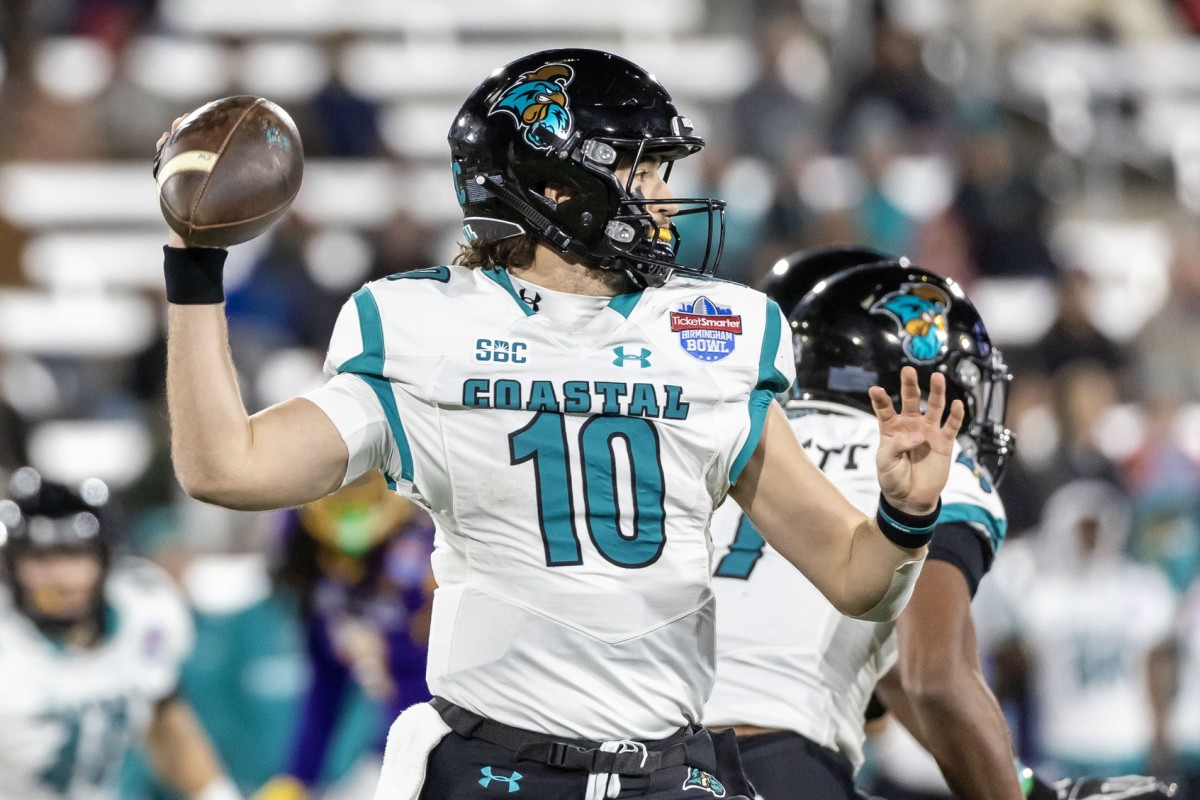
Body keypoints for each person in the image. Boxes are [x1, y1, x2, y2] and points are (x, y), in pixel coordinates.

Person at [156, 49, 964, 799]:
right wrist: (195, 271)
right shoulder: (426, 325)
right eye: (637, 171)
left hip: (667, 770)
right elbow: (226, 468)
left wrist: (906, 512)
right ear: (553, 188)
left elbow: (859, 582)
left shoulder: (716, 331)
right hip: (495, 765)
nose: (659, 199)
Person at [704, 248, 1175, 800]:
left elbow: (895, 674)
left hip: (654, 762)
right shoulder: (928, 465)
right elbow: (937, 677)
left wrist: (1028, 789)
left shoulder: (743, 438)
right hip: (780, 759)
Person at [0, 466, 239, 800]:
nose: (59, 577)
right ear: (12, 565)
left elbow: (162, 717)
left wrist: (217, 794)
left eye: (74, 554)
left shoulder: (144, 610)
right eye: (39, 558)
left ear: (105, 560)